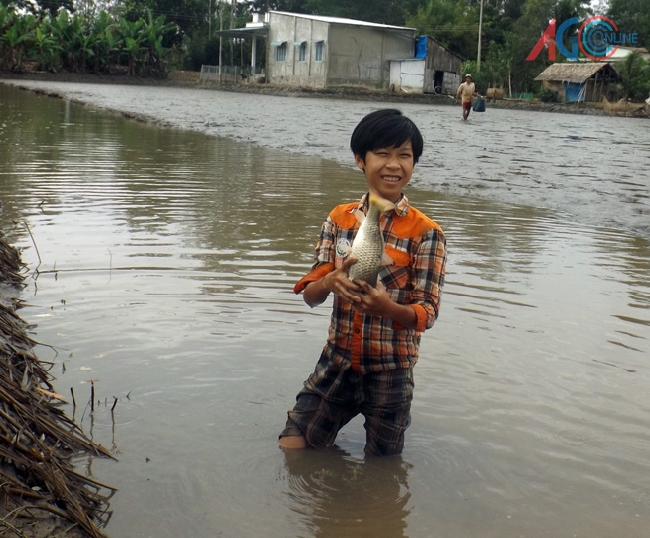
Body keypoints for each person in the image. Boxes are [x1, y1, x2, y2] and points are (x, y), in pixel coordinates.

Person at [278, 109, 447, 456]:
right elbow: (311, 296)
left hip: (392, 370)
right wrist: (329, 284)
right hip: (337, 361)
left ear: (414, 164)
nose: (393, 164)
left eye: (404, 155)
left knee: (383, 465)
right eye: (383, 154)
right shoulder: (338, 219)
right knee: (292, 445)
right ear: (360, 159)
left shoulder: (427, 233)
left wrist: (388, 308)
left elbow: (427, 312)